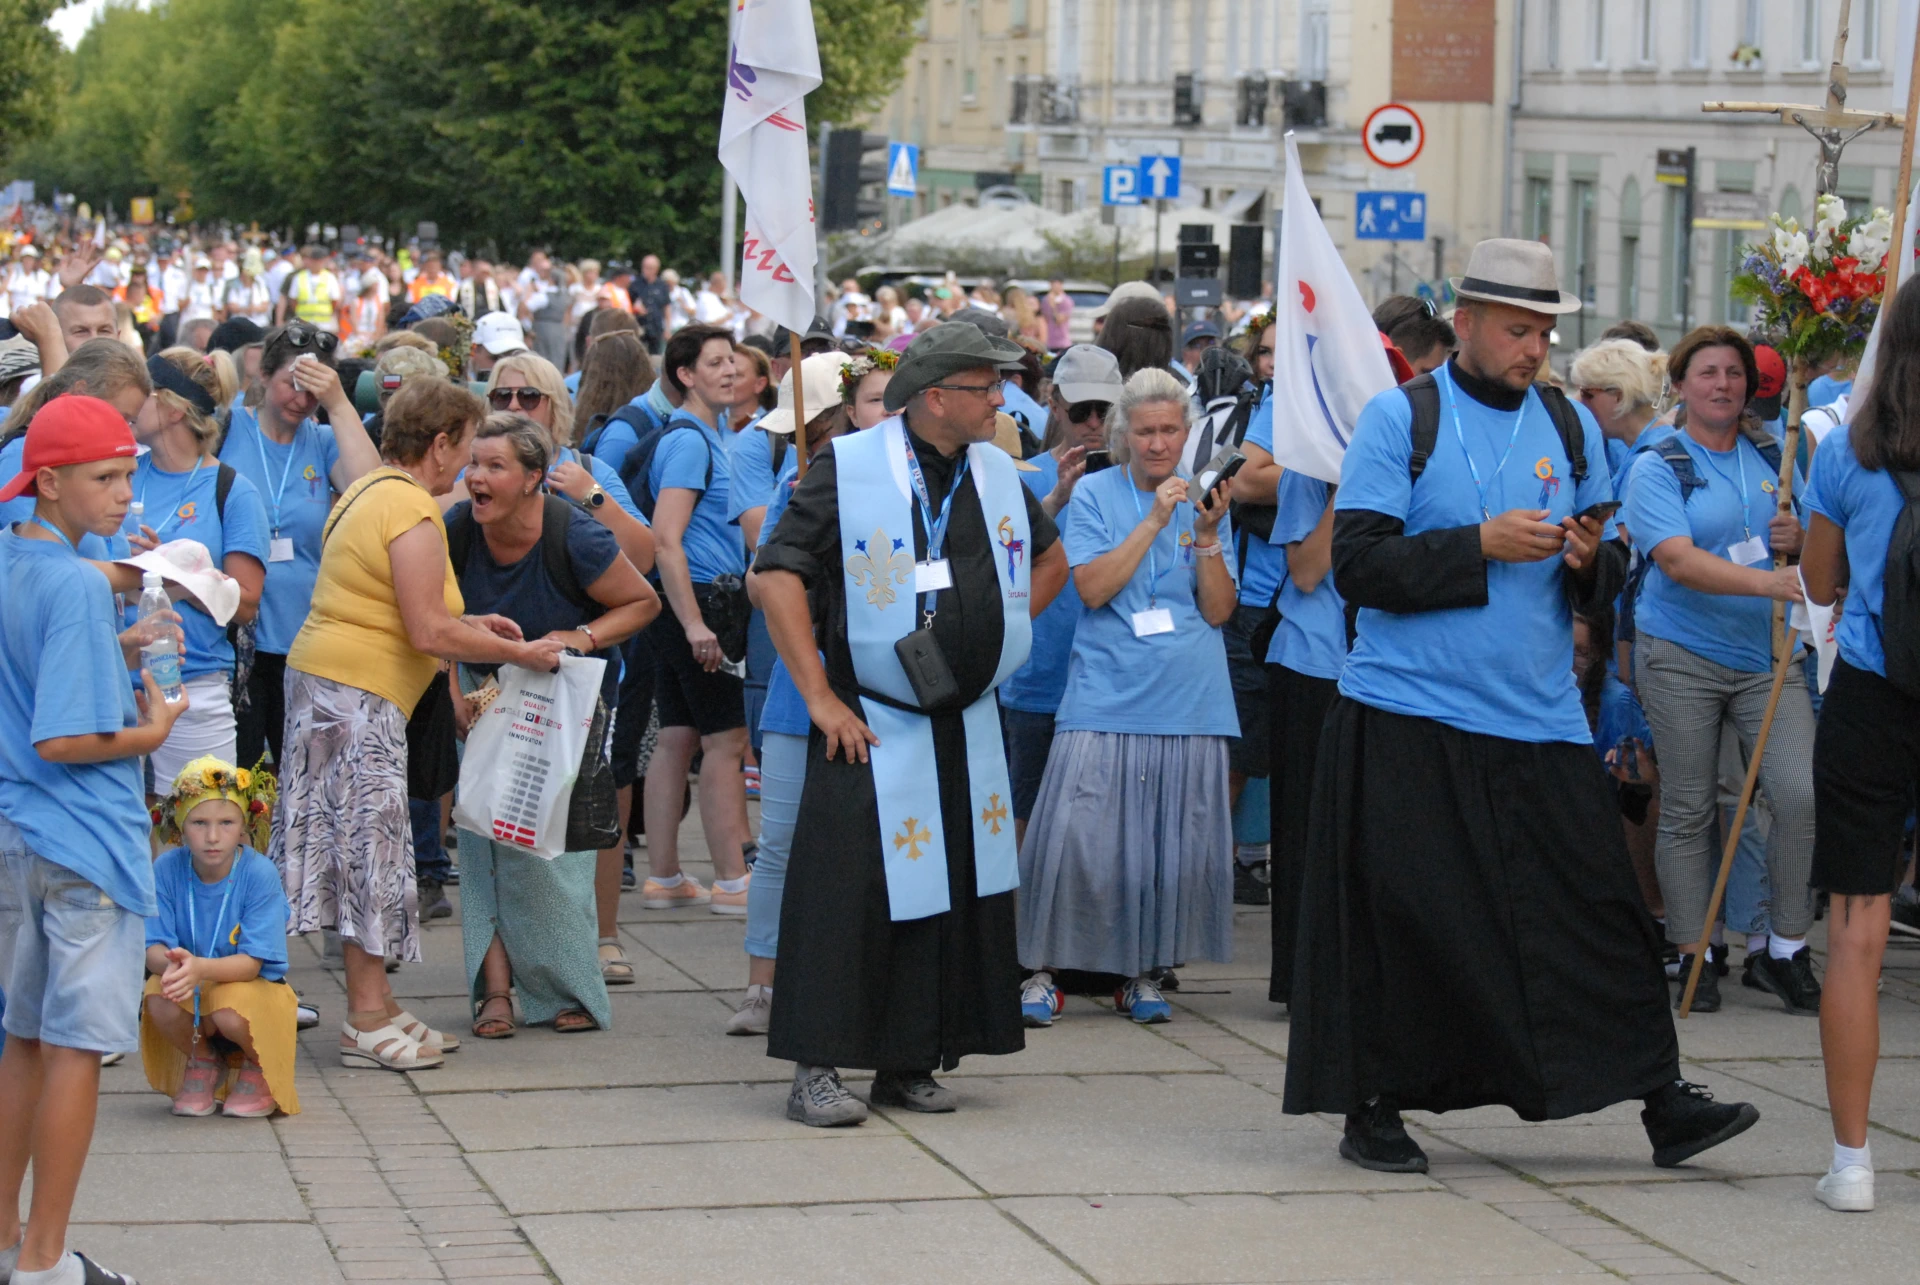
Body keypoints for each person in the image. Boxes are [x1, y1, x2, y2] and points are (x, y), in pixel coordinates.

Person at [1283, 238, 1760, 1175]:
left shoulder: (1569, 426)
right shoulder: (1401, 416)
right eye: (1517, 329)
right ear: (1464, 323)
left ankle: (1662, 1098)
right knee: (1406, 925)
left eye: (1544, 331)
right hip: (1410, 713)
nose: (1534, 348)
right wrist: (1478, 545)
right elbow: (1359, 567)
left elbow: (1608, 570)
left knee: (1598, 912)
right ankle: (1373, 1105)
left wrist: (1588, 562)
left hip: (1539, 715)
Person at [755, 324, 1068, 1124]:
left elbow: (1049, 559)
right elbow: (776, 575)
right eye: (986, 387)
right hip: (869, 719)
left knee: (946, 891)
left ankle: (908, 1059)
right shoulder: (850, 466)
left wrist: (999, 635)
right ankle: (816, 1066)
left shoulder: (994, 471)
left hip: (961, 721)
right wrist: (819, 696)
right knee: (845, 895)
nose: (1001, 401)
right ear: (936, 397)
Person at [271, 379, 569, 1071]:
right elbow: (425, 627)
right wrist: (517, 652)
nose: (468, 466)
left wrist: (473, 624)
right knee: (368, 855)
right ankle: (365, 1018)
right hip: (356, 696)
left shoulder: (370, 490)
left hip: (337, 689)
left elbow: (401, 605)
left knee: (365, 850)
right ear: (439, 443)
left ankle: (378, 1005)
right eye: (466, 447)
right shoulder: (409, 505)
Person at [0, 395, 186, 1285]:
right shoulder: (77, 581)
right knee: (73, 1047)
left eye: (126, 474)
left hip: (23, 837)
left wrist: (120, 648)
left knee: (25, 1038)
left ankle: (9, 1242)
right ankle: (45, 1261)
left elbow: (35, 679)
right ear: (48, 482)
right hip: (84, 842)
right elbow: (63, 737)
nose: (122, 495)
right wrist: (154, 730)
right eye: (105, 477)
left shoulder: (13, 555)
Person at [1018, 367, 1238, 1027]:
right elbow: (1092, 588)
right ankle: (1040, 970)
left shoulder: (1204, 497)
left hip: (1189, 697)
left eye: (1170, 430)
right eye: (1145, 431)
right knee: (1075, 841)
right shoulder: (1094, 493)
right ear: (1123, 435)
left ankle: (1140, 972)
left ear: (1187, 433)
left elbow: (1219, 610)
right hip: (1106, 693)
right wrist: (1156, 519)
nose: (1158, 443)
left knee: (1164, 849)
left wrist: (1205, 536)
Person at [1621, 326, 1817, 1015]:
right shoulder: (1656, 464)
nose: (1723, 385)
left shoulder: (1773, 455)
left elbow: (1813, 540)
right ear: (1680, 384)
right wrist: (1769, 582)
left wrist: (1800, 540)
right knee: (1689, 806)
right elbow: (1675, 560)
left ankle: (1785, 948)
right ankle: (1693, 950)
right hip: (1682, 654)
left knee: (1798, 795)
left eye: (1734, 373)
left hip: (1769, 656)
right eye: (1707, 373)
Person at [448, 414, 657, 1038]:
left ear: (533, 478)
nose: (476, 477)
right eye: (474, 463)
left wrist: (579, 636)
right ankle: (495, 993)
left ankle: (568, 988)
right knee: (482, 842)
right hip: (484, 694)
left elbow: (643, 601)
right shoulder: (457, 529)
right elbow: (434, 618)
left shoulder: (574, 534)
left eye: (495, 466)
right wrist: (451, 694)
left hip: (566, 703)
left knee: (553, 853)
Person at [1800, 275, 1920, 1213]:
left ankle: (1852, 1163)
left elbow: (1817, 579)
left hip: (1875, 695)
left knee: (1855, 932)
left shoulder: (1848, 448)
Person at [725, 352, 859, 1037]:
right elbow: (759, 584)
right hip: (793, 689)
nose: (804, 442)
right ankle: (762, 987)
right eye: (801, 433)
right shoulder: (794, 483)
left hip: (872, 688)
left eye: (812, 429)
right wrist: (799, 531)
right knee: (779, 842)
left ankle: (848, 985)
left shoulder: (895, 482)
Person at [222, 324, 382, 767]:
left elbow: (371, 490)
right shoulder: (227, 428)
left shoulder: (324, 440)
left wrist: (338, 403)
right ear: (263, 375)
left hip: (304, 639)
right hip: (238, 639)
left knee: (301, 772)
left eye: (313, 391)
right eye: (291, 384)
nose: (301, 399)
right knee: (241, 770)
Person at [636, 324, 755, 913]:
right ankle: (733, 880)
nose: (730, 370)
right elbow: (666, 539)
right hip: (698, 602)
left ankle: (665, 877)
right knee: (725, 741)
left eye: (732, 360)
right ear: (685, 375)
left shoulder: (713, 434)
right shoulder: (690, 441)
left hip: (687, 603)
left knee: (677, 737)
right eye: (714, 363)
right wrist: (694, 624)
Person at [119, 350, 269, 784]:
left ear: (173, 409)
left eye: (143, 392)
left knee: (199, 822)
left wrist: (175, 571)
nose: (130, 402)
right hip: (118, 684)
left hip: (192, 686)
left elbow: (246, 605)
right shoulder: (122, 474)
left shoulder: (233, 491)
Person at [1000, 346, 1119, 853]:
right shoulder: (1023, 477)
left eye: (1104, 410)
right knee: (1024, 817)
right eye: (1080, 410)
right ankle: (1020, 904)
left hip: (1114, 682)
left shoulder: (1144, 479)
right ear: (1054, 405)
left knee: (1103, 825)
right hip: (1039, 679)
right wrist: (1055, 501)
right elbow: (1001, 568)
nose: (1093, 422)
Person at [140, 757, 298, 1119]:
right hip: (194, 980)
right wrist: (175, 966)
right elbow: (152, 949)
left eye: (226, 823)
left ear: (245, 825)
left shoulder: (258, 872)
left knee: (229, 1005)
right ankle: (203, 1060)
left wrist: (199, 968)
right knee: (157, 993)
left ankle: (258, 1066)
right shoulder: (166, 868)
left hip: (251, 989)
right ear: (179, 824)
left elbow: (252, 964)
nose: (212, 837)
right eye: (199, 823)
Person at [1264, 461, 1347, 1006]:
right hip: (1312, 663)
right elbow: (1307, 571)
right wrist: (1348, 488)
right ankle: (1303, 980)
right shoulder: (1310, 470)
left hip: (1384, 665)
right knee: (1304, 826)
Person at [1572, 338, 1670, 494]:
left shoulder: (1648, 465)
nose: (1579, 402)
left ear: (1619, 396)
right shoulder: (1665, 445)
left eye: (1586, 394)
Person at [279, 246, 346, 334]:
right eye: (314, 261)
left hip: (324, 324)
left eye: (319, 261)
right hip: (304, 323)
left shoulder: (329, 277)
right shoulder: (299, 277)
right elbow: (293, 300)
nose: (317, 263)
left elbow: (334, 301)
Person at [223, 251, 275, 329]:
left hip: (259, 324)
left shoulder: (260, 284)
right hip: (239, 325)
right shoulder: (234, 285)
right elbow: (232, 306)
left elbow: (265, 306)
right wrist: (246, 309)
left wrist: (254, 308)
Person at [1040, 279, 1075, 353]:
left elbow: (1059, 320)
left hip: (1062, 342)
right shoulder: (1045, 300)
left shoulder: (1066, 300)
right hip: (1049, 341)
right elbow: (1044, 319)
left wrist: (1053, 306)